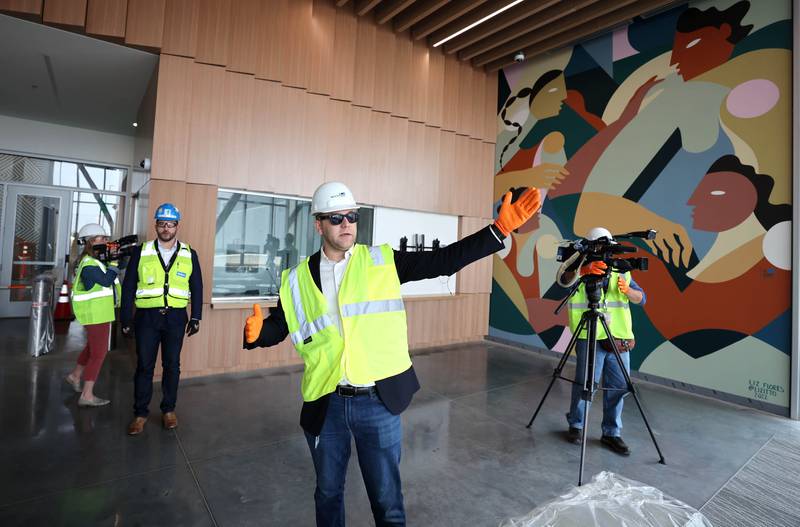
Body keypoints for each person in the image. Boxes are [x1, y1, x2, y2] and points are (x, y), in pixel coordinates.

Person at [243, 181, 541, 526]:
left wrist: (498, 230)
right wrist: (258, 333)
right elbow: (281, 325)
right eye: (336, 217)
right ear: (318, 224)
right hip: (326, 402)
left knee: (387, 500)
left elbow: (443, 261)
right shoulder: (294, 279)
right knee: (327, 493)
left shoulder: (381, 261)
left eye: (351, 216)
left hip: (377, 401)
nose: (346, 224)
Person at [556, 227, 646, 456]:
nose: (602, 253)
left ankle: (611, 433)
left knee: (619, 386)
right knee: (585, 384)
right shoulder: (577, 267)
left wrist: (629, 291)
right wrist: (584, 270)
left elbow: (641, 298)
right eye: (597, 247)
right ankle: (576, 425)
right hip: (589, 335)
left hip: (619, 338)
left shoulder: (621, 271)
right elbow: (563, 281)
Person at [120, 203, 203, 435]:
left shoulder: (189, 253)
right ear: (156, 225)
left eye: (171, 224)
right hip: (147, 318)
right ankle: (140, 414)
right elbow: (128, 288)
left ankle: (168, 410)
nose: (166, 229)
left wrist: (196, 316)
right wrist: (126, 319)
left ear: (177, 226)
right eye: (162, 224)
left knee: (172, 366)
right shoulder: (141, 251)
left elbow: (196, 287)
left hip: (176, 319)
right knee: (145, 366)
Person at [65, 223, 121, 407]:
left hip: (98, 313)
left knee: (91, 348)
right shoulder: (89, 265)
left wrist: (117, 260)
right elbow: (105, 280)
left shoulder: (94, 261)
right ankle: (87, 395)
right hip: (96, 315)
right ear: (91, 241)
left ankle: (75, 376)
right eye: (102, 238)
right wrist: (114, 263)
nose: (106, 241)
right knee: (99, 354)